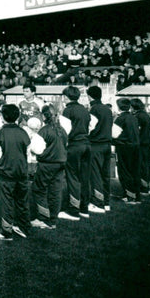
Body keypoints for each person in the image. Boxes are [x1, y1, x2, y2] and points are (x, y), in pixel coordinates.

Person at [0, 104, 45, 240]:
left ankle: (6, 231)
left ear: (2, 117)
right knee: (22, 200)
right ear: (17, 116)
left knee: (7, 201)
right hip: (22, 172)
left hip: (7, 172)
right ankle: (24, 227)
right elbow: (31, 150)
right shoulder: (23, 132)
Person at [59, 85, 93, 221]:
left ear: (66, 97)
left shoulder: (68, 110)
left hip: (74, 145)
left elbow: (64, 131)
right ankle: (84, 208)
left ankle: (73, 210)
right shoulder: (84, 109)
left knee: (72, 177)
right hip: (86, 144)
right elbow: (91, 126)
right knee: (84, 177)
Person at [30, 104, 68, 229]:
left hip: (47, 164)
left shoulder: (44, 130)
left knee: (39, 190)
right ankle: (53, 220)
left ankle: (43, 218)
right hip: (61, 163)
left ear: (43, 116)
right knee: (55, 191)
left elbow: (36, 149)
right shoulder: (62, 130)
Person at [86, 85, 113, 213]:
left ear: (89, 96)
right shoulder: (108, 109)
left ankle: (97, 203)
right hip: (108, 145)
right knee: (105, 175)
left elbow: (90, 128)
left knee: (96, 174)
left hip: (96, 145)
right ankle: (106, 202)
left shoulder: (94, 109)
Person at [112, 97, 142, 204]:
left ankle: (130, 196)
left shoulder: (120, 118)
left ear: (119, 106)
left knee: (124, 171)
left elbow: (114, 134)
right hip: (135, 146)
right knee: (134, 171)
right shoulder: (134, 117)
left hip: (124, 147)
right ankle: (136, 196)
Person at [131, 98, 150, 196]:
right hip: (147, 143)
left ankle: (142, 187)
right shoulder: (147, 115)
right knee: (146, 166)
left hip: (139, 144)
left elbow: (135, 131)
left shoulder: (137, 116)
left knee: (139, 166)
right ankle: (146, 187)